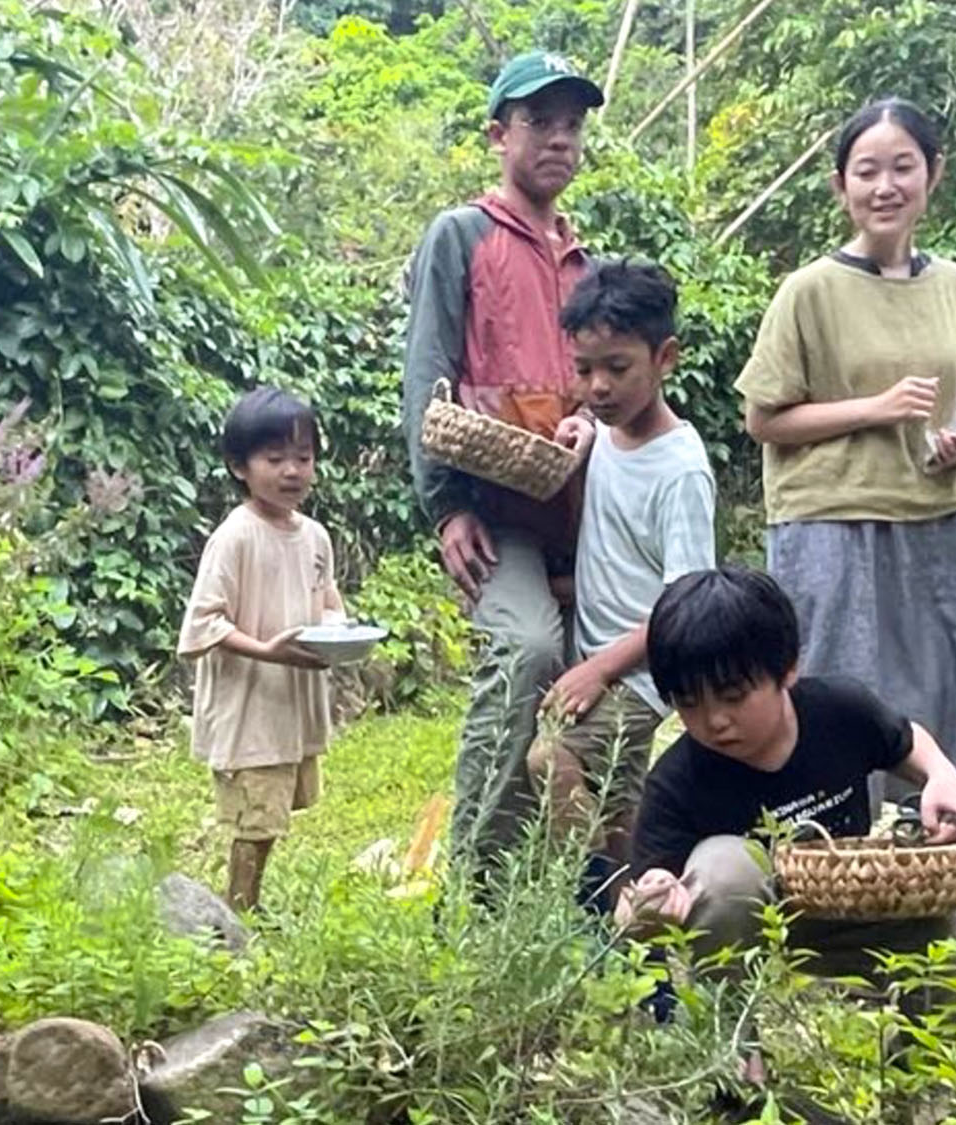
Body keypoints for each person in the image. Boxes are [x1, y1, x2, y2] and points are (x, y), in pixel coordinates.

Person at [735, 97, 956, 807]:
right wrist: (875, 408)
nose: (885, 186)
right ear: (841, 186)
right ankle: (826, 857)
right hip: (829, 523)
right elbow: (762, 417)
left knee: (944, 688)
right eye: (866, 171)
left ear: (933, 175)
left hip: (936, 520)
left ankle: (934, 858)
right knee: (833, 694)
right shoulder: (808, 292)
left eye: (902, 167)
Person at [400, 50, 605, 872]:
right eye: (538, 122)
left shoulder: (586, 260)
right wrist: (447, 505)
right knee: (523, 652)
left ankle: (577, 881)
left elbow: (602, 382)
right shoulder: (464, 235)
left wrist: (589, 424)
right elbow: (428, 371)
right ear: (499, 134)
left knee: (594, 686)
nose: (558, 139)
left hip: (582, 510)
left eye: (572, 124)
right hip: (499, 514)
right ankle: (477, 879)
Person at [615, 567, 956, 1003]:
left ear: (787, 669)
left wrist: (941, 774)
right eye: (689, 703)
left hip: (851, 910)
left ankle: (923, 1065)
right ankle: (734, 1045)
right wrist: (650, 903)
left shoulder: (840, 711)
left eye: (733, 697)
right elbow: (634, 905)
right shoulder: (675, 782)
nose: (715, 720)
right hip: (748, 924)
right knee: (725, 865)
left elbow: (904, 740)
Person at [526, 259, 715, 905]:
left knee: (550, 760)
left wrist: (599, 669)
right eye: (583, 370)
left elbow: (684, 602)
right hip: (601, 656)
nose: (598, 386)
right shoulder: (602, 434)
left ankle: (601, 913)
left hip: (641, 669)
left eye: (617, 367)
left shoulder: (682, 469)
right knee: (620, 810)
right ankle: (651, 943)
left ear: (665, 357)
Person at [178, 387, 344, 913]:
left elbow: (328, 598)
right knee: (255, 817)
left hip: (290, 702)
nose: (292, 471)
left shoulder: (315, 536)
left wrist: (339, 630)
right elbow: (204, 622)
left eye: (304, 457)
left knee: (272, 812)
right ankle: (239, 911)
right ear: (239, 466)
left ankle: (247, 905)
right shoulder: (234, 537)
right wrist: (269, 651)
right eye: (275, 459)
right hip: (249, 704)